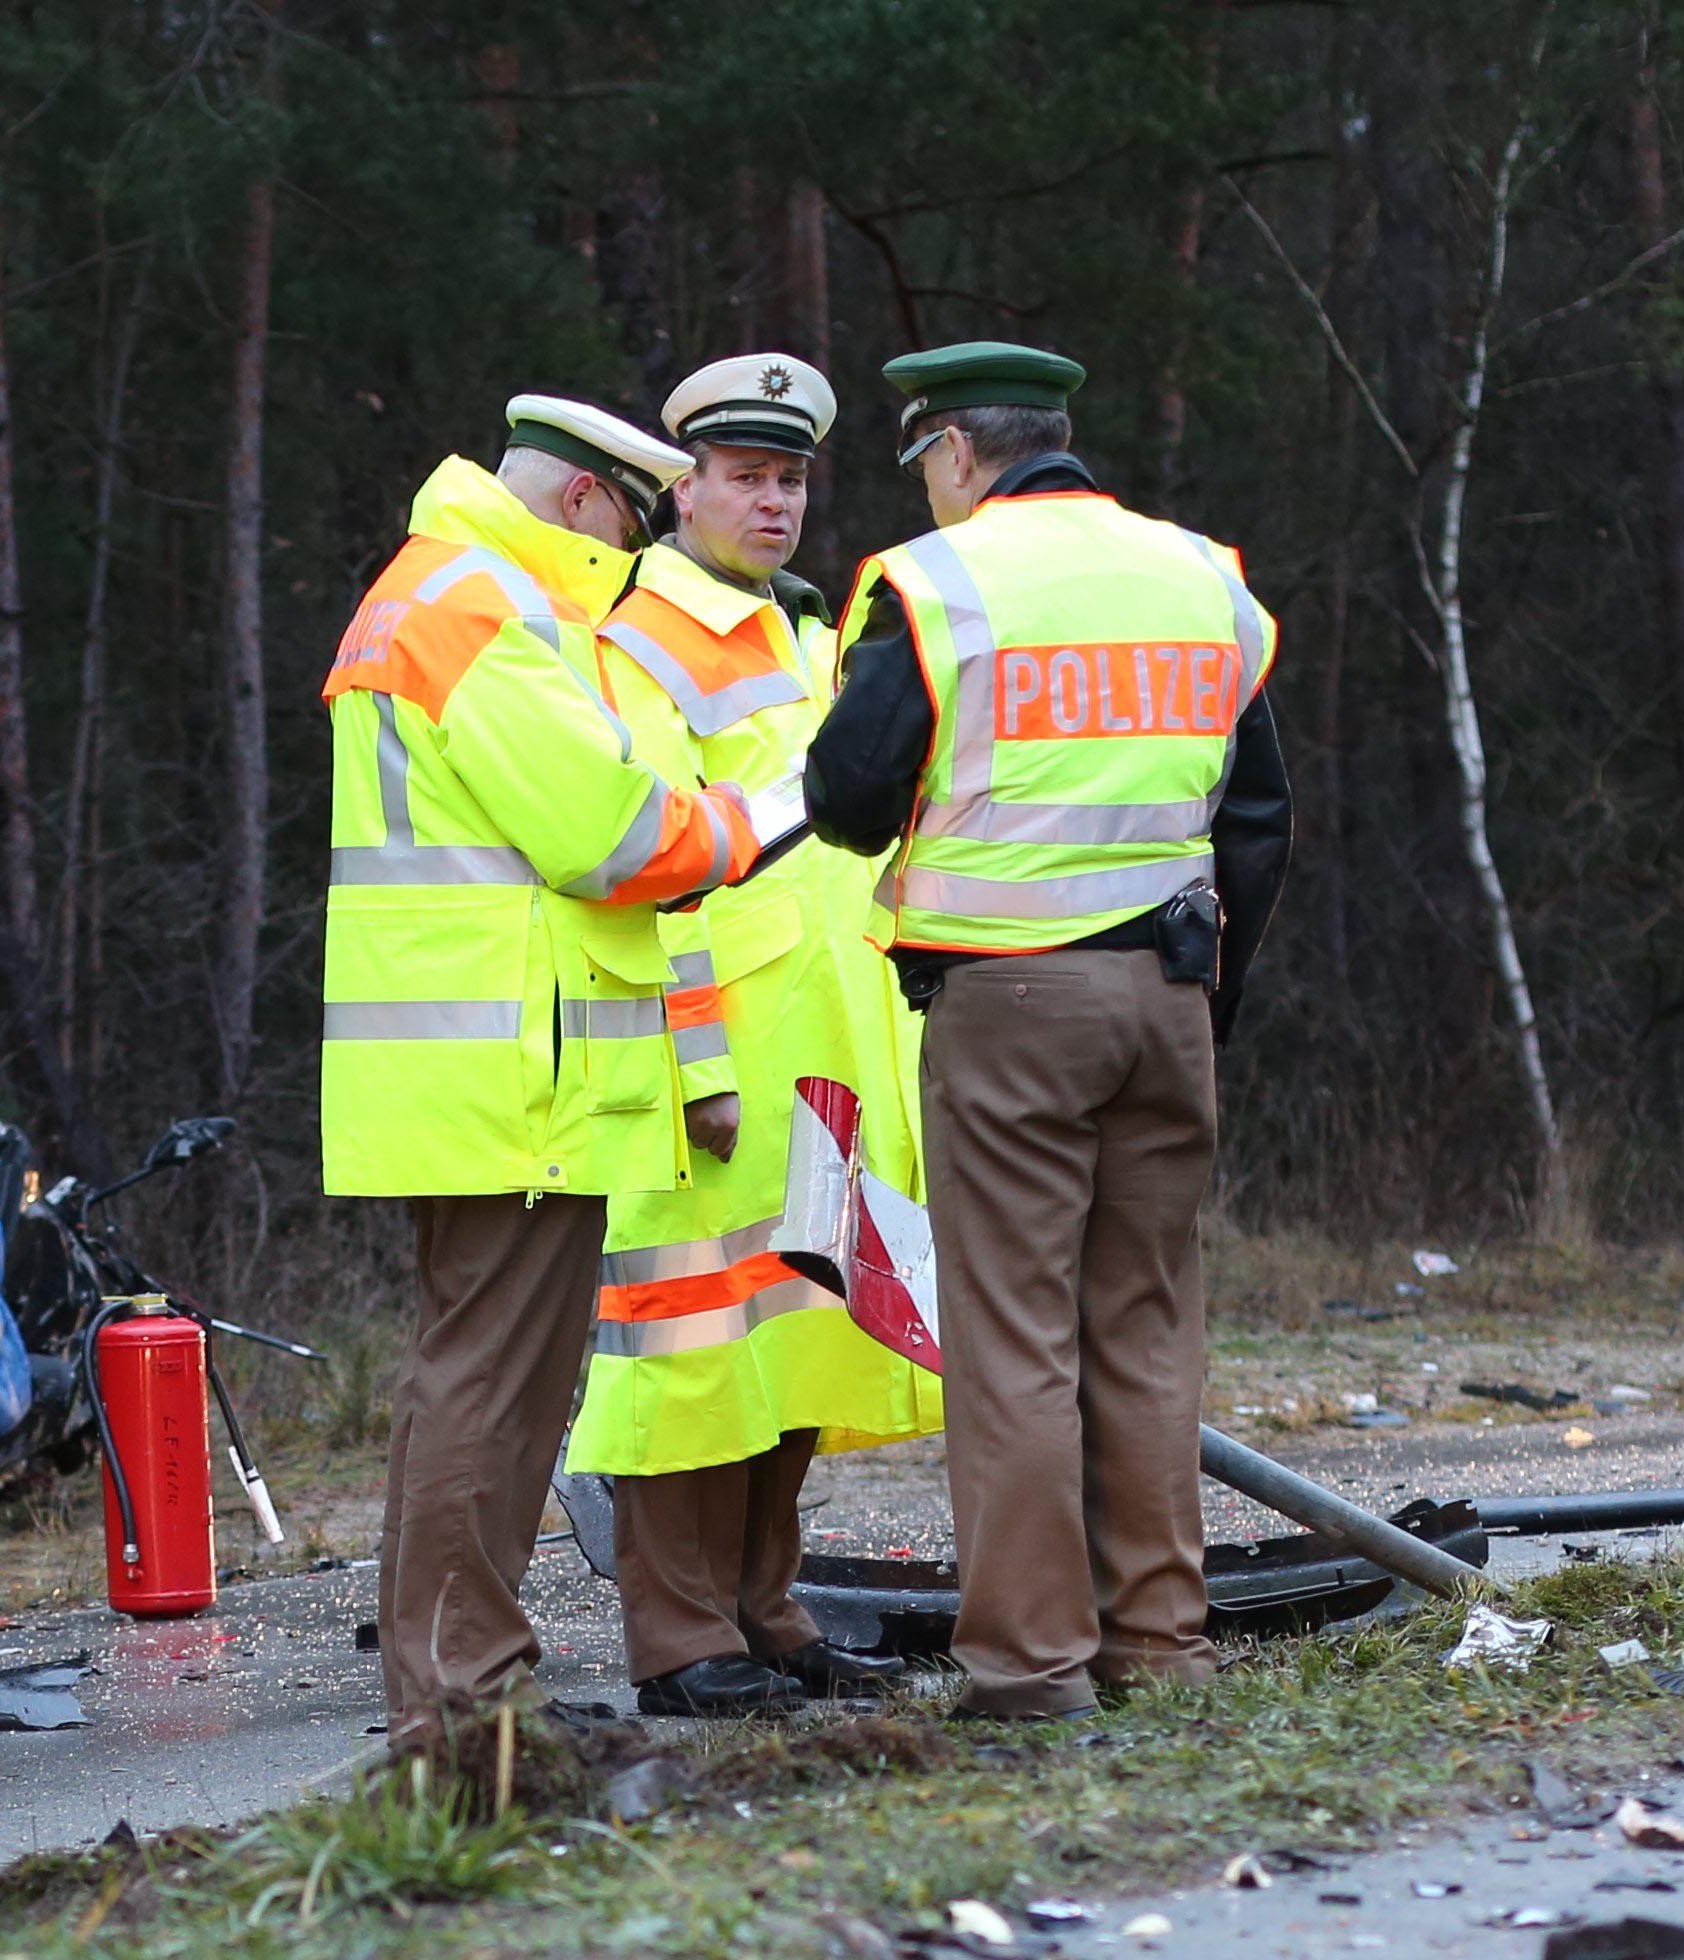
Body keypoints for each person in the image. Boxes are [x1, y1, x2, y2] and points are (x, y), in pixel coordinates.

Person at [798, 344, 1292, 1722]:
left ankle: (1030, 1667)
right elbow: (1260, 816)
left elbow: (844, 792)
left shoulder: (940, 584)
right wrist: (1206, 1000)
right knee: (1146, 1327)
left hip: (1010, 1002)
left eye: (929, 463)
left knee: (1015, 1335)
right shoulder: (1202, 578)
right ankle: (1162, 1646)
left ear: (956, 450)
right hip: (1170, 994)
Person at [319, 393, 809, 1738]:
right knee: (492, 1388)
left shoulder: (432, 591)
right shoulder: (481, 608)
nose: (630, 552)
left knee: (476, 1377)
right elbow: (616, 837)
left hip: (467, 1065)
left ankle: (461, 1683)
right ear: (587, 499)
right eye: (631, 521)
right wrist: (770, 810)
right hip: (509, 1075)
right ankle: (464, 1701)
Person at [565, 350, 946, 1715]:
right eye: (745, 477)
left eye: (790, 479)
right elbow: (646, 866)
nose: (774, 501)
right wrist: (696, 1066)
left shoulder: (809, 626)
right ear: (687, 489)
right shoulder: (642, 636)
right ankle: (679, 1640)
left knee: (793, 1335)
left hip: (827, 1040)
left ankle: (765, 1611)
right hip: (724, 1051)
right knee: (688, 1351)